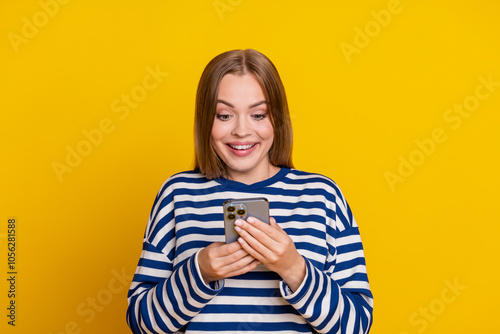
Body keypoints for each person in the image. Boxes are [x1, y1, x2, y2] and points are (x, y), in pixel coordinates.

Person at [126, 49, 373, 333]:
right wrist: (200, 271)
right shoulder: (178, 195)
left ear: (276, 121)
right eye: (224, 115)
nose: (242, 131)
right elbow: (142, 323)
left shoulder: (322, 197)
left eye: (258, 115)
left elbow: (357, 326)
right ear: (206, 121)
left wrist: (293, 268)